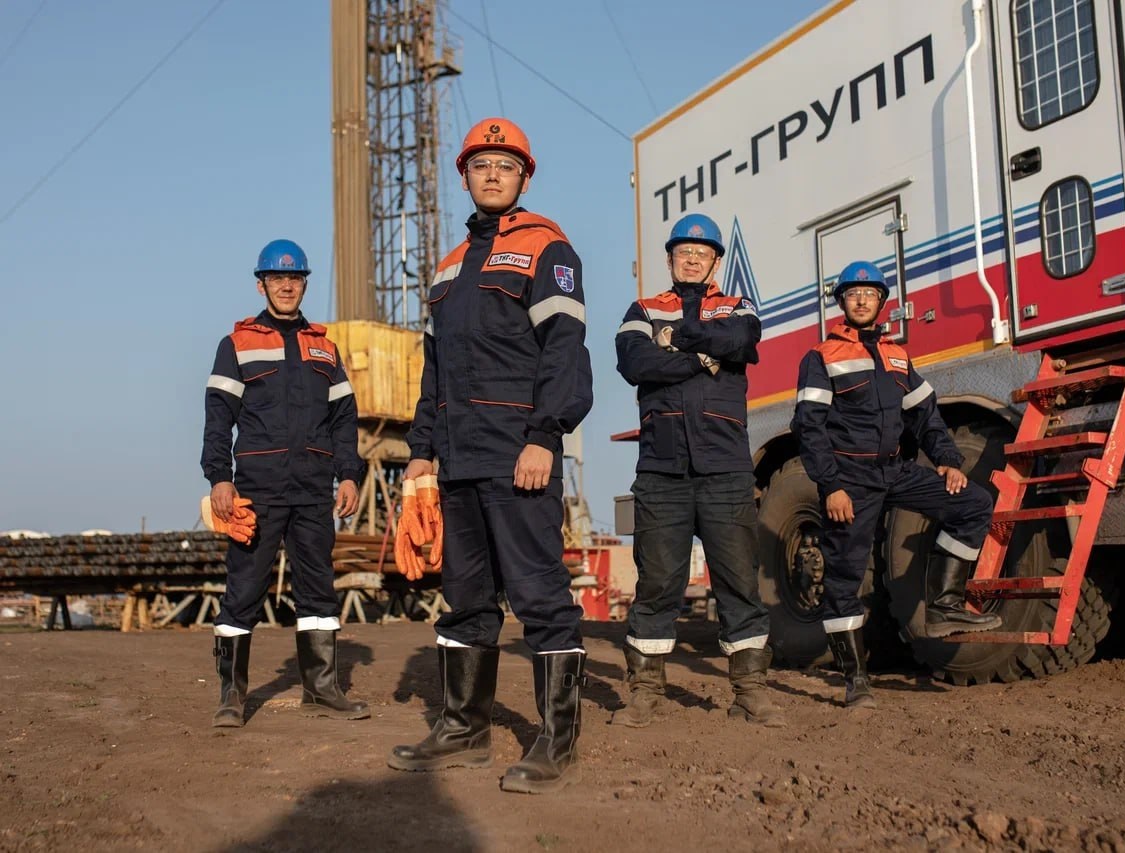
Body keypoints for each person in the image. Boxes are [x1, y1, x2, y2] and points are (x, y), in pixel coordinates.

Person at [387, 117, 593, 795]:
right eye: (482, 165)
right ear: (466, 177)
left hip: (517, 453)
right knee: (464, 599)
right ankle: (463, 729)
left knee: (540, 595)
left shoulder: (547, 247)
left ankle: (556, 740)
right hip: (458, 458)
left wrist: (544, 435)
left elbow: (565, 351)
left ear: (525, 177)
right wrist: (421, 450)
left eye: (506, 165)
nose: (494, 174)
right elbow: (435, 369)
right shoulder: (449, 267)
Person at [790, 260, 1001, 708]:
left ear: (882, 302)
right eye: (853, 294)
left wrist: (948, 461)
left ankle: (944, 606)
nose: (862, 300)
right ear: (842, 302)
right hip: (850, 480)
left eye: (870, 294)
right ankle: (856, 680)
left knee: (973, 504)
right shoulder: (822, 357)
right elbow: (808, 428)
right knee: (844, 577)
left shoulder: (898, 356)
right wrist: (831, 486)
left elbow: (926, 415)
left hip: (895, 471)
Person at [613, 213, 782, 728]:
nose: (692, 259)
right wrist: (701, 357)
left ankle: (751, 692)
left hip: (725, 468)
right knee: (657, 582)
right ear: (670, 259)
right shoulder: (643, 309)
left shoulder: (737, 306)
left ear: (715, 262)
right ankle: (645, 692)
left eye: (701, 253)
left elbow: (743, 341)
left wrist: (678, 341)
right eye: (683, 252)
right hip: (662, 470)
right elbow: (635, 364)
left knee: (738, 580)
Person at [201, 238, 369, 728]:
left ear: (304, 284)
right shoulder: (237, 344)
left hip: (314, 490)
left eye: (295, 278)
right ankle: (232, 697)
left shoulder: (324, 348)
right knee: (243, 590)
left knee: (318, 592)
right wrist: (220, 478)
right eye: (278, 278)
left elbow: (344, 418)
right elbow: (218, 418)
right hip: (258, 488)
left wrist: (349, 475)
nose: (287, 286)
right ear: (262, 285)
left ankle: (321, 689)